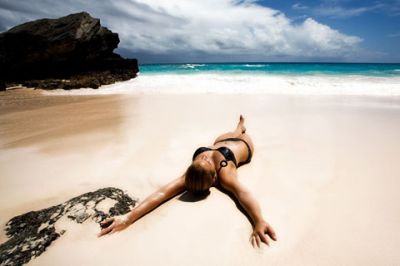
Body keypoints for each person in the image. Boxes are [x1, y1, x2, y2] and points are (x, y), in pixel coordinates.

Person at [99, 115, 277, 248]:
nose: (204, 157)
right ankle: (241, 130)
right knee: (238, 135)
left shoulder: (192, 175)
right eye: (204, 161)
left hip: (220, 141)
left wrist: (128, 217)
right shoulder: (224, 175)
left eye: (201, 159)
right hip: (243, 144)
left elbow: (161, 193)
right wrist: (259, 220)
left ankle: (239, 127)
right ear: (213, 178)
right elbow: (242, 193)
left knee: (229, 133)